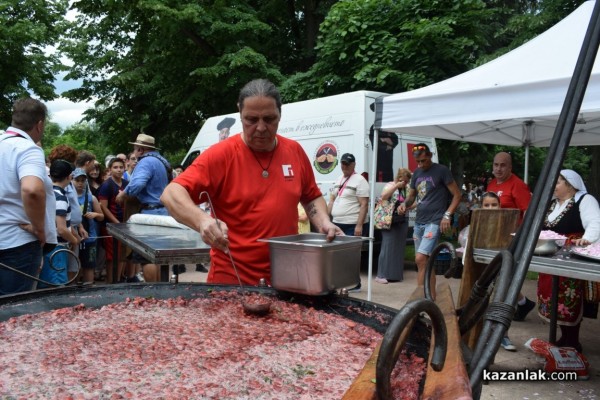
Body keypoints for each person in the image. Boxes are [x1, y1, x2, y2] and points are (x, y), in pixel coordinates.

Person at [160, 78, 341, 286]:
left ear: (280, 115)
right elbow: (171, 193)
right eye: (251, 120)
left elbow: (311, 195)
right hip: (232, 280)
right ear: (240, 114)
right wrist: (202, 221)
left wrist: (324, 222)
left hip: (287, 277)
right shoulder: (221, 155)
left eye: (269, 119)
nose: (261, 128)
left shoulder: (294, 151)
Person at [536, 170, 600, 353]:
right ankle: (564, 336)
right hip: (552, 255)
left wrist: (586, 240)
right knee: (553, 297)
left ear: (571, 185)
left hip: (572, 256)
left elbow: (595, 223)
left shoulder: (585, 200)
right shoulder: (553, 205)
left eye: (558, 182)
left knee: (570, 297)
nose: (554, 186)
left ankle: (572, 341)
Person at [0, 98, 56, 295]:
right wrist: (40, 229)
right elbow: (32, 190)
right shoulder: (27, 148)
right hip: (18, 245)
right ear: (39, 125)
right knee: (13, 315)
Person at [398, 143, 461, 299]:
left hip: (435, 220)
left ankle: (421, 298)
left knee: (420, 258)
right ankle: (428, 298)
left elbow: (457, 195)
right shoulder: (417, 173)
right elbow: (412, 196)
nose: (420, 164)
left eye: (423, 161)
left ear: (430, 156)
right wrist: (403, 204)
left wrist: (447, 215)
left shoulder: (441, 170)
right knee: (424, 262)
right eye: (418, 162)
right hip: (419, 221)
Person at [487, 151, 536, 323]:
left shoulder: (518, 185)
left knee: (503, 275)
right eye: (496, 165)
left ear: (510, 167)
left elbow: (529, 213)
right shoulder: (491, 184)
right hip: (493, 236)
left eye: (503, 165)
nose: (498, 169)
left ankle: (503, 311)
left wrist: (521, 237)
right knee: (497, 274)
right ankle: (523, 302)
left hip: (512, 238)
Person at [116, 133, 172, 282]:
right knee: (160, 257)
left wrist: (124, 194)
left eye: (135, 148)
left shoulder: (146, 162)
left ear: (140, 149)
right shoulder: (163, 162)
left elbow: (138, 184)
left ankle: (153, 293)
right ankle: (161, 292)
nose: (134, 151)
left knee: (148, 256)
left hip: (150, 214)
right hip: (163, 212)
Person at [38, 160, 81, 288]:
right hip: (57, 248)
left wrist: (73, 233)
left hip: (46, 245)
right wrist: (74, 241)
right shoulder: (61, 197)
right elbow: (61, 229)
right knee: (56, 286)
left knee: (45, 283)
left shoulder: (47, 193)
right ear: (69, 176)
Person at [375, 168, 412, 284]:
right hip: (389, 220)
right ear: (399, 178)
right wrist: (396, 186)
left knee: (399, 247)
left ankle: (395, 275)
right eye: (404, 181)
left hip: (402, 220)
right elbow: (384, 196)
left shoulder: (407, 189)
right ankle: (381, 274)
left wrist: (406, 207)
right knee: (387, 246)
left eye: (407, 181)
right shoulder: (390, 185)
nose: (405, 183)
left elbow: (414, 201)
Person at [98, 157, 129, 283]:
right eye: (115, 167)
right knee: (112, 257)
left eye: (121, 167)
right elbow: (103, 207)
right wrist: (116, 222)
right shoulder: (106, 185)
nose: (119, 170)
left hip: (125, 223)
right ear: (110, 170)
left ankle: (119, 279)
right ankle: (111, 282)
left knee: (122, 255)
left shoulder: (127, 184)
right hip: (111, 226)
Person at [73, 168, 104, 284]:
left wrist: (95, 214)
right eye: (77, 180)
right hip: (74, 236)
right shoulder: (70, 197)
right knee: (74, 264)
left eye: (83, 180)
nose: (80, 183)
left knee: (89, 265)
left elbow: (101, 216)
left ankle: (88, 287)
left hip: (90, 237)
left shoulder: (91, 198)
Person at [327, 153, 370, 237]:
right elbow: (331, 201)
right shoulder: (339, 179)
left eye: (347, 164)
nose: (345, 166)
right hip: (337, 223)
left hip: (352, 224)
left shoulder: (360, 180)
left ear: (354, 164)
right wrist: (326, 220)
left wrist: (359, 225)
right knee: (338, 249)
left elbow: (364, 204)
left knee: (351, 249)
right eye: (343, 163)